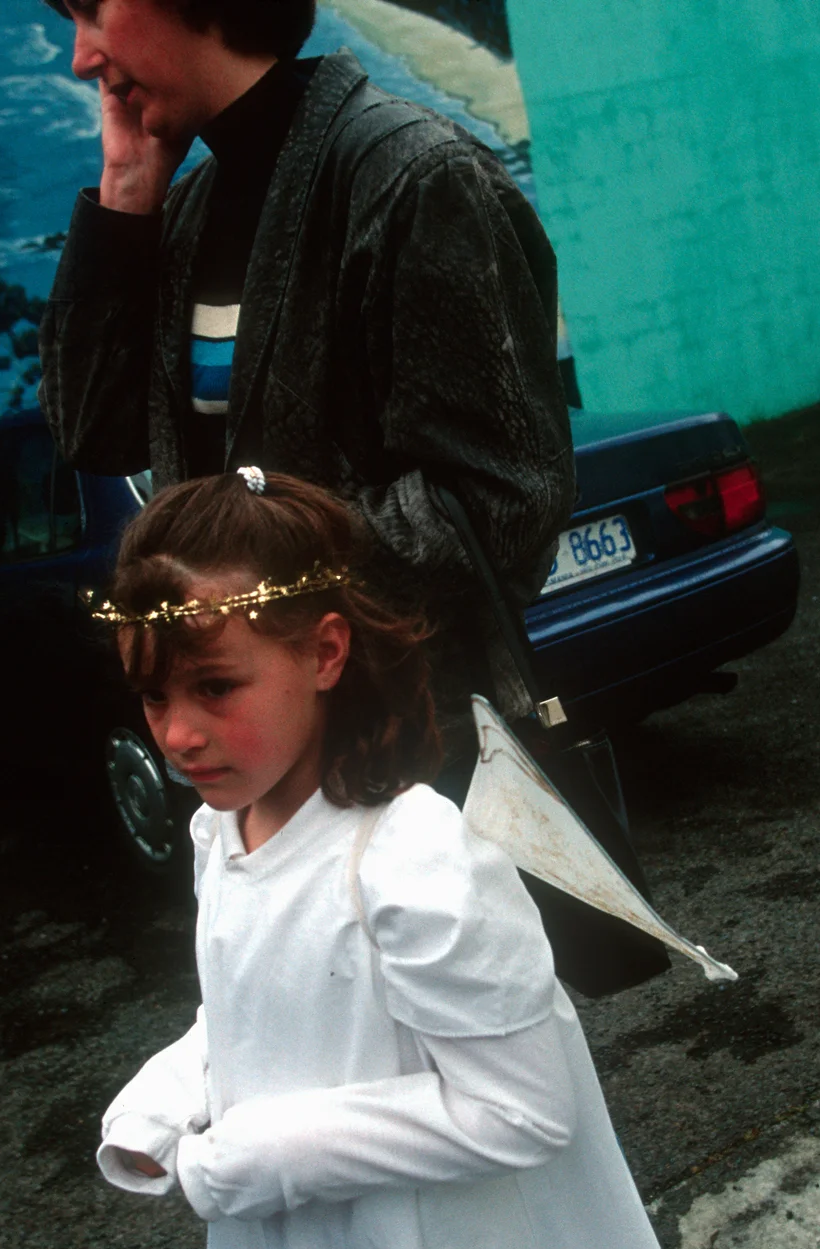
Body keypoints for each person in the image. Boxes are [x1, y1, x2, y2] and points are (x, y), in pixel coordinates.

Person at [88, 467, 669, 1249]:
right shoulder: (218, 829)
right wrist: (165, 1098)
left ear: (325, 651)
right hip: (297, 1243)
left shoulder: (412, 860)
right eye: (153, 696)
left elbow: (525, 1109)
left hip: (428, 1245)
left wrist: (264, 1152)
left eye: (216, 686)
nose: (178, 734)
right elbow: (254, 1008)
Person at [37, 0, 574, 725]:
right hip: (261, 765)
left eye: (93, 10)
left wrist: (247, 583)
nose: (81, 57)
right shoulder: (188, 209)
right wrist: (125, 192)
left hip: (409, 745)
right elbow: (92, 432)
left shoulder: (413, 177)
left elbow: (505, 504)